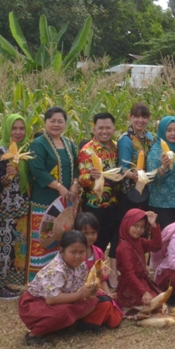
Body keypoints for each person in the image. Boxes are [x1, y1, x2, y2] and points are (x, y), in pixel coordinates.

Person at [18, 230, 122, 346]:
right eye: (73, 252)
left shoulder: (80, 265)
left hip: (65, 299)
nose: (77, 256)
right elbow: (51, 299)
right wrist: (80, 295)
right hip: (36, 304)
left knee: (99, 300)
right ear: (62, 251)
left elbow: (80, 287)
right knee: (63, 312)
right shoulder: (57, 269)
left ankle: (70, 325)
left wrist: (97, 278)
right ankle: (34, 335)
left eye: (81, 252)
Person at [27, 107, 79, 282]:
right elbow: (38, 170)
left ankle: (60, 278)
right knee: (44, 240)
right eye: (52, 120)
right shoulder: (38, 144)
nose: (56, 124)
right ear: (45, 122)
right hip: (44, 201)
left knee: (61, 239)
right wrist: (59, 187)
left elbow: (77, 167)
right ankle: (39, 280)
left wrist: (74, 184)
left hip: (66, 203)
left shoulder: (69, 143)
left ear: (65, 123)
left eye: (60, 121)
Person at [0, 113, 29, 300]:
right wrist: (7, 176)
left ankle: (9, 282)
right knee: (1, 246)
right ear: (7, 129)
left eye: (21, 128)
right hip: (3, 207)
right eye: (14, 128)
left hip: (21, 206)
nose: (18, 132)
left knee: (15, 246)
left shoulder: (24, 151)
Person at [78, 113, 123, 269]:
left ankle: (102, 273)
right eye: (101, 128)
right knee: (93, 243)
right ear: (94, 129)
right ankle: (88, 275)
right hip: (95, 206)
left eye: (108, 128)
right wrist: (91, 176)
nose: (105, 131)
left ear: (114, 129)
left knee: (110, 240)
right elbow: (81, 179)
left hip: (115, 204)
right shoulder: (87, 150)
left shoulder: (118, 148)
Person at [146, 116, 175, 229]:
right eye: (169, 130)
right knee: (165, 238)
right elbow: (151, 178)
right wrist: (163, 167)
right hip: (163, 204)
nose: (173, 133)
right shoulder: (156, 152)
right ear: (162, 131)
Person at [114, 208, 162, 311]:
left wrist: (153, 225)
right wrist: (143, 292)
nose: (138, 230)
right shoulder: (124, 247)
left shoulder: (138, 241)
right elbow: (129, 274)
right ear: (127, 224)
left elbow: (156, 244)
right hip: (130, 284)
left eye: (142, 227)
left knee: (157, 302)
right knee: (152, 304)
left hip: (141, 281)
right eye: (135, 225)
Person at [118, 103, 155, 213]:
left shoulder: (150, 137)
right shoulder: (126, 139)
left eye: (144, 117)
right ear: (130, 117)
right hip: (131, 189)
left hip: (147, 187)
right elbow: (122, 168)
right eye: (136, 116)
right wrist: (133, 174)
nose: (140, 120)